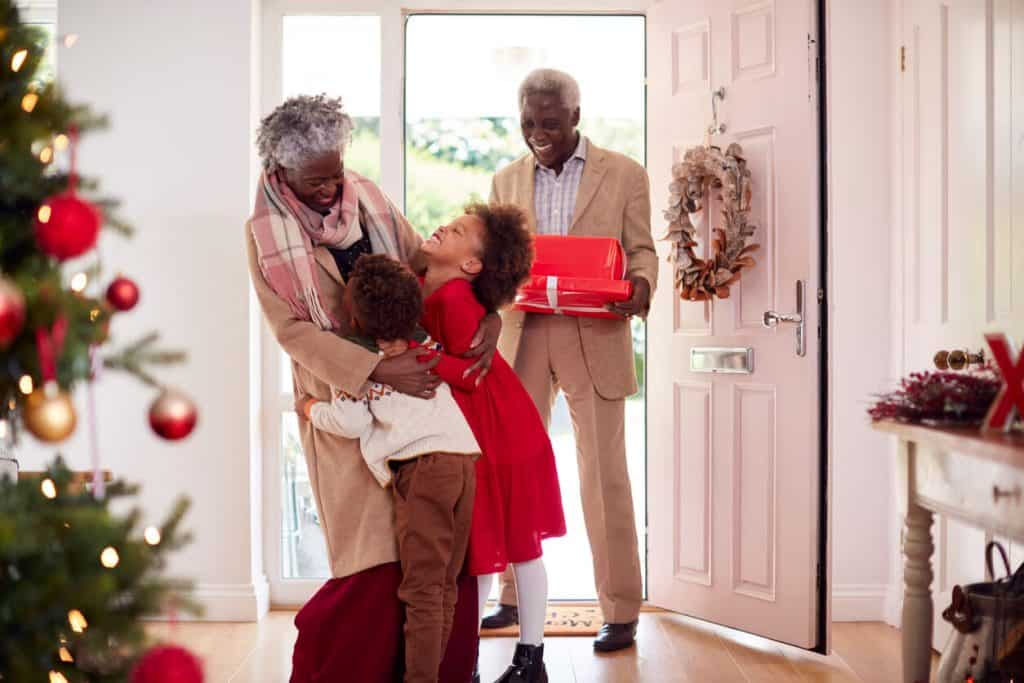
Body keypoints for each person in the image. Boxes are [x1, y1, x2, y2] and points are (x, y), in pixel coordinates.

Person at [246, 94, 500, 682]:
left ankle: (443, 668)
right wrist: (374, 372)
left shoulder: (369, 198)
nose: (333, 187)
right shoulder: (263, 234)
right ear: (282, 173)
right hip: (344, 393)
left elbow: (426, 264)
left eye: (337, 171)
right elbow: (291, 330)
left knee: (430, 551)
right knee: (370, 553)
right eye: (317, 181)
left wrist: (488, 308)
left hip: (411, 396)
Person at [485, 68, 658, 653]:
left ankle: (621, 607)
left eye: (551, 123)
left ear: (576, 117)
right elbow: (494, 259)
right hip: (525, 331)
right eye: (529, 122)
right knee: (511, 467)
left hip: (596, 332)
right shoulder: (504, 180)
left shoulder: (625, 173)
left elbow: (641, 251)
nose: (538, 133)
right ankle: (510, 595)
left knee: (604, 476)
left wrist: (641, 284)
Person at [301, 254, 479, 683]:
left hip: (424, 469)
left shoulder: (362, 367)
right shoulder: (426, 342)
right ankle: (440, 672)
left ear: (356, 319)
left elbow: (349, 422)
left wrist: (309, 408)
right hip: (463, 461)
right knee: (445, 584)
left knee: (420, 591)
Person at [418, 203, 567, 683]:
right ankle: (484, 661)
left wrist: (415, 355)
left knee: (510, 549)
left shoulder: (454, 299)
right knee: (487, 551)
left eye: (458, 230)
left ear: (471, 265)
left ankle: (528, 659)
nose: (444, 226)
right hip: (492, 433)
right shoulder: (435, 286)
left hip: (502, 438)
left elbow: (466, 374)